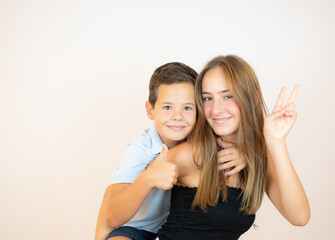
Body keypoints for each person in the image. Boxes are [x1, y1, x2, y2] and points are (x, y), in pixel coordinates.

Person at [156, 55, 311, 239]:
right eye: (207, 98)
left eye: (227, 96)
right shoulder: (190, 155)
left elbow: (299, 217)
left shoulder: (256, 159)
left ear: (252, 98)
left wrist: (276, 142)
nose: (216, 109)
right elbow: (129, 210)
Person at [95, 62, 246, 240]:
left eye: (187, 108)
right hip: (136, 229)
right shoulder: (141, 149)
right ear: (150, 110)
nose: (177, 116)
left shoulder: (199, 143)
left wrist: (243, 154)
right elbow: (112, 215)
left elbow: (231, 138)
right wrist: (147, 178)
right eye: (168, 107)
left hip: (173, 229)